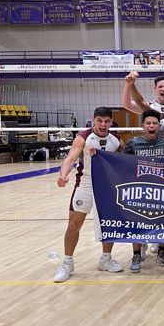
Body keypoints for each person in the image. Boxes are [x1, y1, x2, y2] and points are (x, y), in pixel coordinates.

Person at [53, 107, 124, 282]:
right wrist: (63, 175)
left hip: (107, 188)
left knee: (109, 225)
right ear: (93, 120)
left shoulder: (116, 140)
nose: (103, 124)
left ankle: (106, 259)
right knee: (73, 226)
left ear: (111, 122)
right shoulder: (83, 137)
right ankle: (67, 263)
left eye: (106, 121)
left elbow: (126, 158)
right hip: (85, 185)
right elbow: (70, 159)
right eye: (99, 120)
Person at [123, 110, 164, 272]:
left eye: (154, 123)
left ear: (159, 126)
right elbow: (120, 162)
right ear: (143, 126)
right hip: (140, 190)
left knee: (163, 221)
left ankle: (162, 251)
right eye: (148, 123)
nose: (151, 126)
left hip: (162, 189)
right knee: (137, 222)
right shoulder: (133, 143)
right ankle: (136, 254)